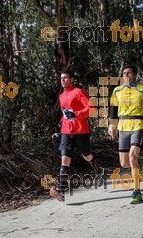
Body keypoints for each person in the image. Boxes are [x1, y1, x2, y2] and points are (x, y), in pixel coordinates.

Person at [108, 65, 143, 204]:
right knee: (124, 163)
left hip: (138, 125)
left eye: (129, 73)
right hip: (123, 127)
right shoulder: (117, 90)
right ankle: (139, 165)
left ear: (135, 75)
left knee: (132, 158)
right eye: (124, 73)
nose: (126, 75)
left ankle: (136, 191)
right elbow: (113, 110)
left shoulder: (142, 90)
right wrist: (112, 125)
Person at [50, 70, 102, 201]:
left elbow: (91, 108)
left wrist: (77, 114)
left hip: (80, 130)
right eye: (61, 78)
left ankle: (98, 169)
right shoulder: (61, 96)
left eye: (65, 78)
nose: (62, 80)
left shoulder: (78, 92)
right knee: (65, 159)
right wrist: (59, 127)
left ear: (72, 79)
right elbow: (65, 114)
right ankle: (61, 190)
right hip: (66, 132)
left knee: (86, 155)